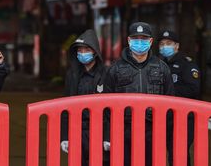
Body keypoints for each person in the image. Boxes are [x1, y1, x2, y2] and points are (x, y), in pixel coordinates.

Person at [105, 22, 174, 166]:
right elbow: (106, 105)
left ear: (150, 41)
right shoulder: (115, 69)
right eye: (136, 39)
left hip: (153, 131)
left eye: (144, 39)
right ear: (129, 41)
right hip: (124, 131)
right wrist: (111, 133)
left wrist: (164, 134)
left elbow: (170, 104)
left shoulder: (162, 68)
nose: (140, 42)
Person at [60, 29, 110, 166]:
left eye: (86, 50)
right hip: (77, 131)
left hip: (99, 131)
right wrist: (64, 136)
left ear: (95, 51)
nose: (83, 54)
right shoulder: (72, 74)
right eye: (79, 51)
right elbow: (65, 106)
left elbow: (110, 109)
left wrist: (108, 136)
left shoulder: (106, 74)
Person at [158, 30, 200, 166]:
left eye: (168, 43)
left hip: (183, 119)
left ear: (177, 46)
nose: (165, 46)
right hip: (163, 118)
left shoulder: (187, 64)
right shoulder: (157, 64)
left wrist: (167, 92)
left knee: (178, 156)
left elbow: (193, 89)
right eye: (162, 44)